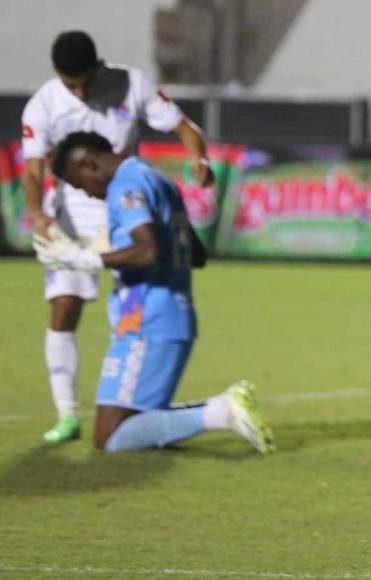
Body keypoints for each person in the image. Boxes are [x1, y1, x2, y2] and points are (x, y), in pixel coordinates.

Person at [21, 30, 214, 443]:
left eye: (85, 80)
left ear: (99, 66)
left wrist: (198, 156)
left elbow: (184, 127)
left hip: (125, 200)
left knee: (142, 292)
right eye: (70, 84)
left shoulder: (132, 83)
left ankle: (135, 389)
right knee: (65, 306)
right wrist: (38, 215)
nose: (80, 90)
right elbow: (34, 170)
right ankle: (67, 414)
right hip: (73, 214)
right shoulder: (43, 105)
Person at [33, 131, 274, 455]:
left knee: (111, 437)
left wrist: (83, 259)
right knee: (128, 424)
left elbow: (147, 251)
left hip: (147, 322)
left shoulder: (127, 185)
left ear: (88, 164)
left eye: (80, 185)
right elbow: (196, 254)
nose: (88, 195)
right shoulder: (159, 180)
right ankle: (221, 409)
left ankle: (220, 411)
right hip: (169, 316)